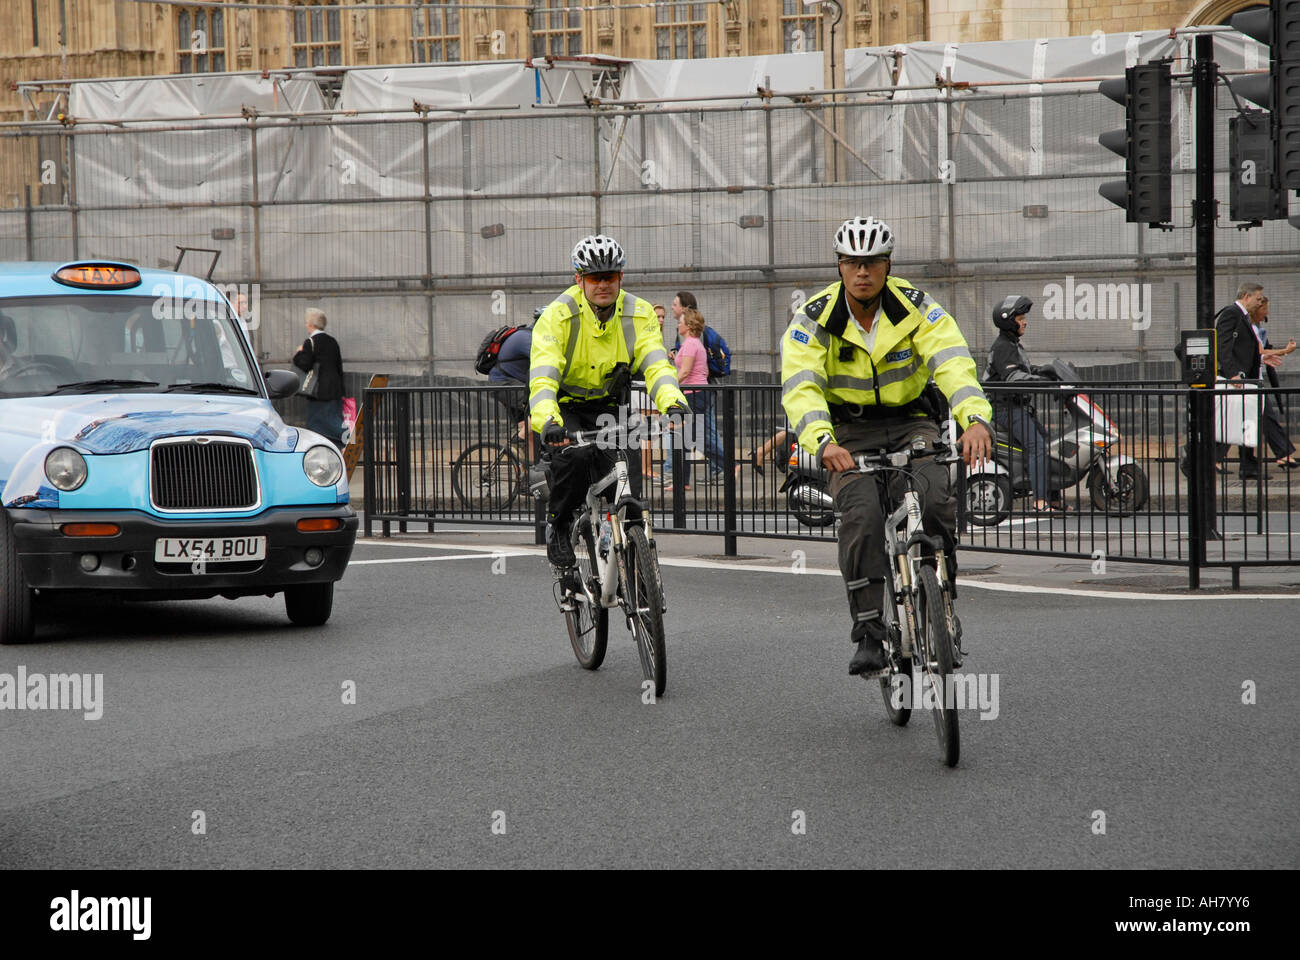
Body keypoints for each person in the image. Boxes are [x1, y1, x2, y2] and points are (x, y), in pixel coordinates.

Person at [781, 216, 993, 677]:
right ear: (839, 266)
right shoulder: (815, 316)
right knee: (862, 519)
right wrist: (822, 441)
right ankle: (869, 633)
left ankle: (943, 598)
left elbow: (952, 361)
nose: (863, 271)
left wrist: (974, 419)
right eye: (852, 262)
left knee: (934, 500)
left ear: (888, 265)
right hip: (847, 435)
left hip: (911, 422)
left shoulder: (916, 306)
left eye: (873, 262)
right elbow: (802, 386)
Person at [529, 235, 689, 574]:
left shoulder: (640, 313)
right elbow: (543, 376)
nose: (603, 284)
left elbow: (657, 364)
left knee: (628, 485)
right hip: (567, 408)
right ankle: (559, 527)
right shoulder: (558, 315)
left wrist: (673, 403)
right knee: (575, 457)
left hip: (612, 409)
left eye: (609, 277)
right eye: (594, 278)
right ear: (579, 280)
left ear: (620, 277)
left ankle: (638, 572)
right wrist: (549, 422)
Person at [982, 294, 1067, 512]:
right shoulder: (1003, 347)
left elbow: (1022, 370)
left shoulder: (1013, 345)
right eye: (1020, 319)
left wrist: (1044, 371)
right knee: (1037, 446)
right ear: (1008, 322)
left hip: (1018, 407)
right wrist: (1042, 381)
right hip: (1005, 409)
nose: (1025, 322)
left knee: (1049, 445)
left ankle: (1053, 499)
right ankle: (1039, 501)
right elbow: (1013, 378)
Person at [664, 306, 727, 490]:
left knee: (692, 439)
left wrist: (667, 386)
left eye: (680, 322)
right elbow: (702, 370)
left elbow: (685, 372)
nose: (678, 325)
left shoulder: (691, 344)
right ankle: (682, 482)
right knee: (685, 439)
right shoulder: (692, 344)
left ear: (689, 325)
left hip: (694, 394)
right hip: (695, 393)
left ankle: (729, 465)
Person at [1215, 282, 1268, 479]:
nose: (1260, 302)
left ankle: (1248, 465)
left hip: (1247, 379)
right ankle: (1193, 457)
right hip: (1238, 379)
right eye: (1258, 298)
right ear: (1247, 296)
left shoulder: (1243, 316)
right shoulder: (1232, 314)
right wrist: (1232, 373)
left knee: (1245, 421)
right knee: (1234, 422)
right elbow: (1223, 345)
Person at [1250, 296, 1299, 469]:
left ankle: (1282, 453)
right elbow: (1259, 352)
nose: (1267, 313)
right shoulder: (1250, 328)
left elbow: (1260, 353)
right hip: (1247, 381)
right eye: (1264, 309)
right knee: (1256, 417)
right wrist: (1285, 351)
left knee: (1261, 417)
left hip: (1254, 380)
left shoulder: (1256, 329)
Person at [487, 309, 537, 459]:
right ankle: (516, 442)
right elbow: (545, 359)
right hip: (506, 385)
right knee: (542, 410)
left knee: (528, 430)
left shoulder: (525, 334)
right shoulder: (527, 338)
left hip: (507, 385)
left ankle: (530, 470)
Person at [292, 307, 346, 448]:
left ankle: (342, 441)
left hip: (318, 391)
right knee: (335, 419)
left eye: (306, 322)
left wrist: (298, 353)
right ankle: (341, 445)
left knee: (317, 424)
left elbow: (305, 365)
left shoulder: (310, 342)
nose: (305, 325)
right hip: (335, 389)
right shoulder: (332, 341)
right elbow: (338, 366)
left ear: (311, 324)